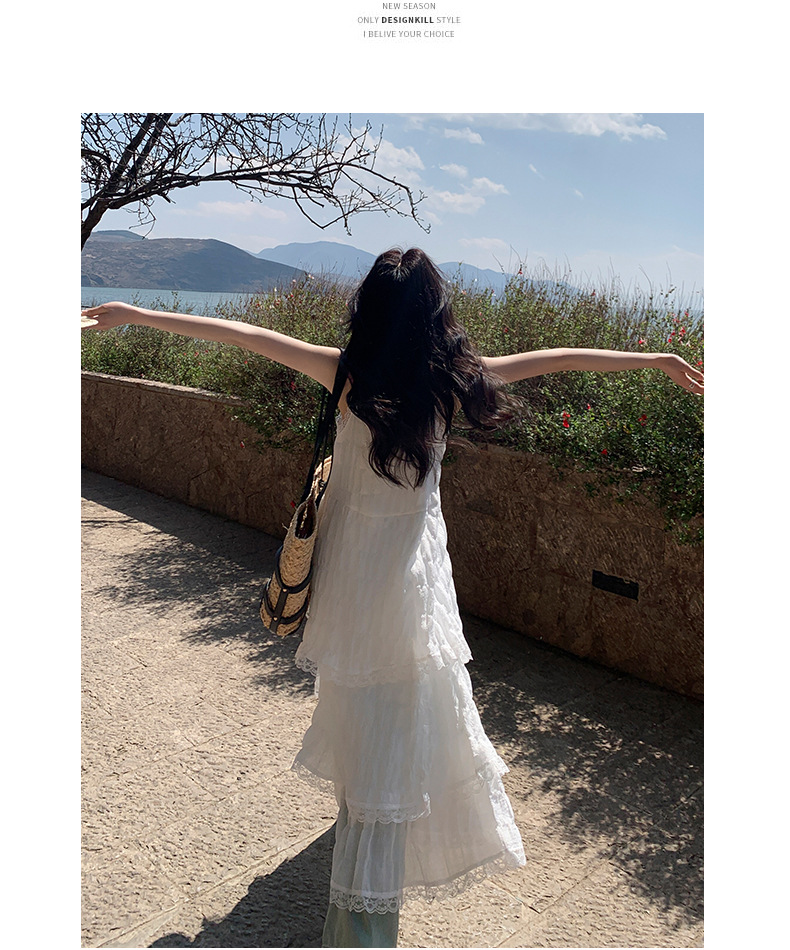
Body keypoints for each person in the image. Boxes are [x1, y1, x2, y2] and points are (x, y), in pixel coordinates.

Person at [82, 248, 703, 948]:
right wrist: (653, 361)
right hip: (412, 588)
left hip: (351, 584)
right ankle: (366, 906)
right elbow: (557, 359)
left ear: (369, 311)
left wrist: (134, 314)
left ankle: (362, 865)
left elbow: (244, 335)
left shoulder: (347, 373)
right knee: (399, 718)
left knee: (360, 708)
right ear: (436, 316)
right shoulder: (450, 380)